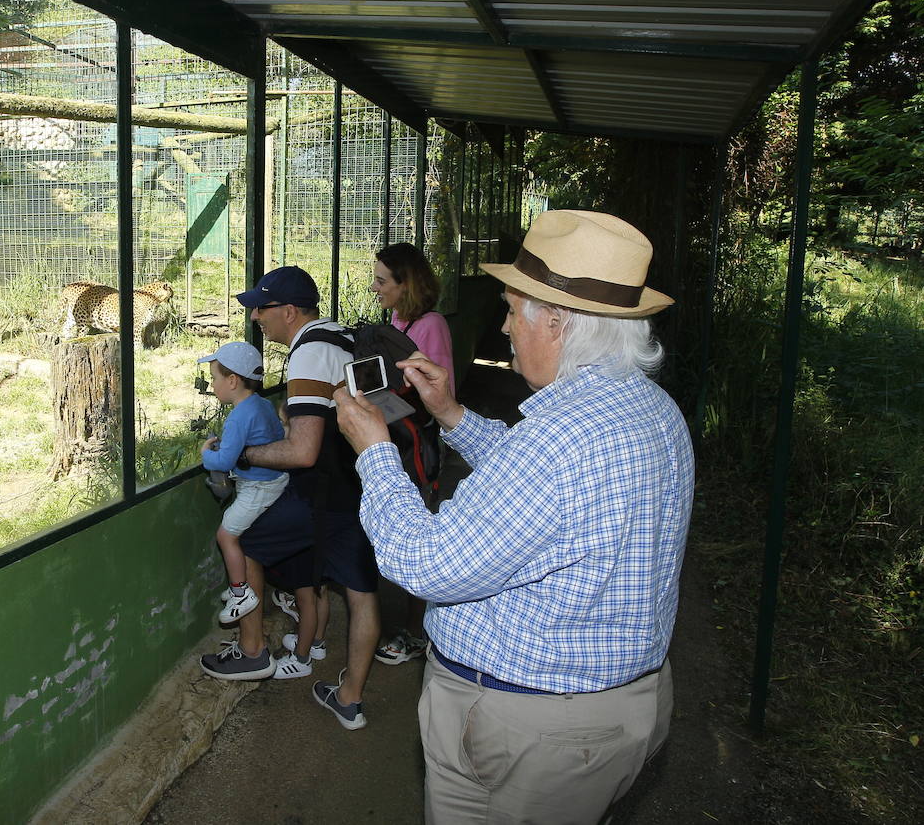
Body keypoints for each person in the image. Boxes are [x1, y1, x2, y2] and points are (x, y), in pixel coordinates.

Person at [334, 210, 694, 823]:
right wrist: (450, 413)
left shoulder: (557, 439)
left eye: (510, 310)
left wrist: (374, 454)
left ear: (556, 323)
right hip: (616, 714)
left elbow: (425, 564)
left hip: (531, 732)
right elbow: (547, 495)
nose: (503, 328)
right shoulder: (651, 409)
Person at [198, 265, 381, 726]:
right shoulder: (337, 335)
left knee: (246, 541)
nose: (257, 316)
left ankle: (253, 650)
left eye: (263, 307)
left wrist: (243, 456)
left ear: (291, 311)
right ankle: (349, 699)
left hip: (327, 493)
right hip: (364, 485)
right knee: (361, 595)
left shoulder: (307, 353)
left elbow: (302, 452)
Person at [369, 242, 454, 666]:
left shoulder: (429, 325)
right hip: (392, 438)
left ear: (407, 284)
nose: (374, 287)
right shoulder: (397, 321)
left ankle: (419, 631)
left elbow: (437, 394)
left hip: (415, 444)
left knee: (420, 531)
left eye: (382, 281)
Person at [196, 341, 289, 625]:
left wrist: (205, 456)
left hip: (260, 487)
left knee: (225, 536)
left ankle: (241, 593)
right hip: (276, 478)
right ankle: (240, 589)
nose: (212, 385)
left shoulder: (239, 415)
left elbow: (224, 462)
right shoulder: (261, 404)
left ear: (233, 380)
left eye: (214, 378)